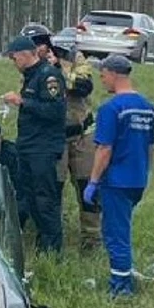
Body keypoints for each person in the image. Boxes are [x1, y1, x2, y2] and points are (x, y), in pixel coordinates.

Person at [85, 54, 154, 296]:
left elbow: (104, 149)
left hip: (116, 180)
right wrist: (147, 174)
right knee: (119, 227)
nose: (102, 80)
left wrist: (93, 181)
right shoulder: (147, 108)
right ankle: (124, 274)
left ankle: (121, 288)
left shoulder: (111, 108)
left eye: (102, 75)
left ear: (114, 74)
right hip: (138, 179)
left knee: (116, 234)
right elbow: (150, 147)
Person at [1, 34, 66, 254]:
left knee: (45, 199)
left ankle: (52, 248)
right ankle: (42, 243)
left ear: (26, 54)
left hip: (43, 148)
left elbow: (55, 111)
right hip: (28, 146)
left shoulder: (48, 76)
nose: (13, 63)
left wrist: (22, 102)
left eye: (14, 58)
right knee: (29, 197)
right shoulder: (30, 77)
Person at [54, 38, 103, 251]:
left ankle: (91, 238)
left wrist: (60, 70)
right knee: (53, 187)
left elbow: (83, 86)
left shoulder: (78, 59)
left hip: (82, 134)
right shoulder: (38, 61)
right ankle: (53, 236)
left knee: (87, 187)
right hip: (55, 136)